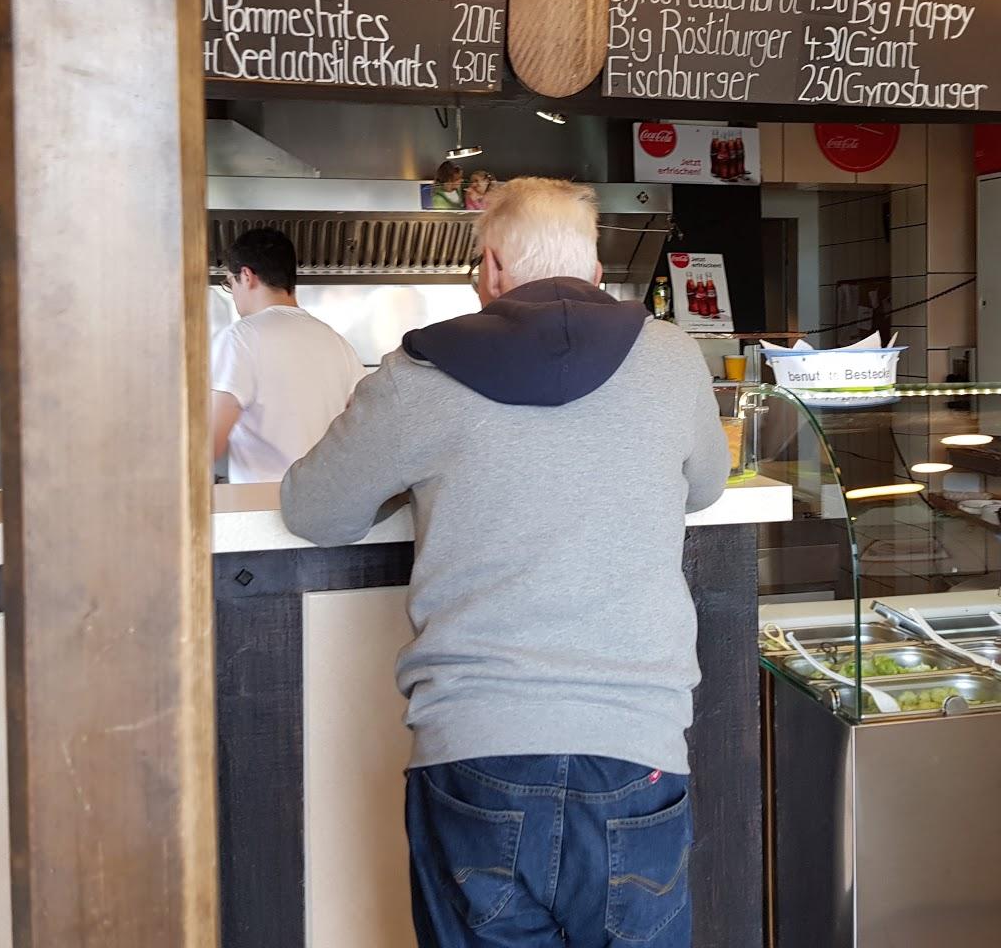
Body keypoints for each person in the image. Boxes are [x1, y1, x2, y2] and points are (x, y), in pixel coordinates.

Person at [281, 178, 729, 947]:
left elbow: (313, 509)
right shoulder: (672, 359)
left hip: (477, 750)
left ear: (491, 266)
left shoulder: (418, 374)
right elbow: (707, 485)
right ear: (593, 270)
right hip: (635, 753)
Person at [211, 228, 365, 484]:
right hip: (328, 501)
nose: (234, 293)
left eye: (230, 283)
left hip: (262, 508)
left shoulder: (239, 339)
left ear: (247, 276)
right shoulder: (337, 343)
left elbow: (209, 446)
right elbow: (364, 429)